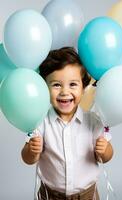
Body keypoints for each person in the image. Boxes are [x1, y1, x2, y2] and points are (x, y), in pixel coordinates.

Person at [21, 47, 113, 200]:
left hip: (86, 195)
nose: (64, 91)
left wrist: (105, 150)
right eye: (56, 84)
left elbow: (107, 156)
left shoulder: (93, 121)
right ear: (44, 88)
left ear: (83, 88)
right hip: (51, 195)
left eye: (73, 84)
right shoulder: (40, 122)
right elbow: (27, 158)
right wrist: (31, 151)